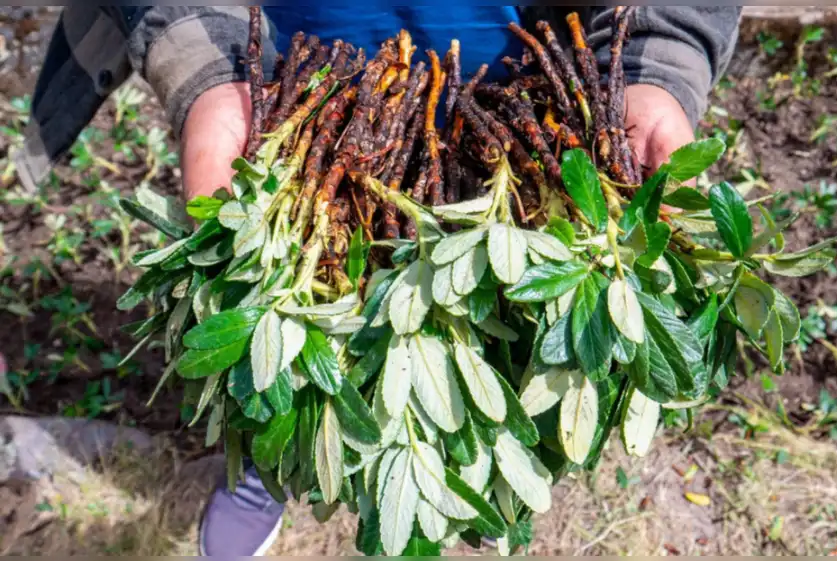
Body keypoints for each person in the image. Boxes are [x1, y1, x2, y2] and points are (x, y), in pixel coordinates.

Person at [14, 5, 742, 556]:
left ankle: (471, 455)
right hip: (279, 66)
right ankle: (267, 456)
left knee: (476, 295)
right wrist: (199, 61)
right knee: (295, 299)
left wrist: (658, 58)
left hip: (510, 83)